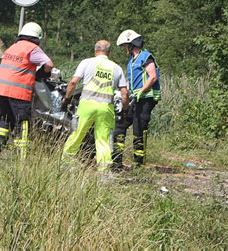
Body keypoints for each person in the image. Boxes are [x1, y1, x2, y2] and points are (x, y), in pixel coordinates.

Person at [61, 40, 129, 171]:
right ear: (109, 52)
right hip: (106, 108)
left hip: (86, 105)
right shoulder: (116, 68)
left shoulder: (86, 62)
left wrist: (66, 100)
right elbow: (124, 93)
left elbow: (73, 83)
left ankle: (65, 164)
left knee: (77, 134)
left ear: (95, 50)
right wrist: (124, 111)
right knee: (103, 140)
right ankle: (103, 171)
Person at [0, 22, 54, 159]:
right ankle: (22, 155)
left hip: (2, 89)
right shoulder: (32, 48)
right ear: (37, 37)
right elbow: (49, 64)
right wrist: (41, 74)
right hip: (19, 91)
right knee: (23, 122)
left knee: (6, 119)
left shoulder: (13, 47)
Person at [113, 29, 161, 168]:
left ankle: (138, 164)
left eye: (124, 46)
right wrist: (123, 92)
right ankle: (117, 161)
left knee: (138, 129)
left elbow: (152, 77)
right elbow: (131, 81)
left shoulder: (146, 57)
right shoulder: (131, 61)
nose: (124, 49)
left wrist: (141, 92)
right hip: (135, 98)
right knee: (120, 125)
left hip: (146, 98)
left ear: (131, 44)